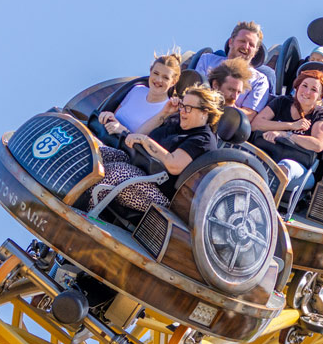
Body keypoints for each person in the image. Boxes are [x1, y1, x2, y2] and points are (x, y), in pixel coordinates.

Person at [89, 86, 223, 212]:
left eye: (188, 108)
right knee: (94, 153)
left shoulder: (203, 139)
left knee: (112, 172)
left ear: (204, 112)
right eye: (182, 105)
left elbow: (173, 165)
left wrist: (146, 141)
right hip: (139, 168)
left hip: (157, 192)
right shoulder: (178, 123)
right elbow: (140, 133)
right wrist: (165, 113)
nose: (182, 111)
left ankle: (84, 214)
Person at [251, 69, 323, 183]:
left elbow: (318, 144)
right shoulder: (282, 102)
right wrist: (291, 125)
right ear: (297, 87)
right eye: (304, 86)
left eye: (314, 90)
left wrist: (285, 134)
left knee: (283, 167)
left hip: (298, 168)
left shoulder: (320, 114)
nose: (307, 92)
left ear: (320, 97)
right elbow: (256, 124)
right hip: (268, 154)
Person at [193, 21, 272, 113]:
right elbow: (195, 93)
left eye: (251, 45)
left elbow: (249, 114)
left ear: (255, 52)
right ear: (231, 42)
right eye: (242, 41)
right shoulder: (207, 60)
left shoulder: (259, 80)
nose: (246, 47)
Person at [98, 53, 182, 136]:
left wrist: (123, 131)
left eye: (165, 77)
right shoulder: (137, 90)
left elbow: (145, 143)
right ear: (150, 72)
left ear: (173, 82)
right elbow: (116, 115)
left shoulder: (168, 109)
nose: (158, 80)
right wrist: (108, 116)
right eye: (156, 73)